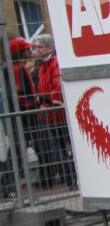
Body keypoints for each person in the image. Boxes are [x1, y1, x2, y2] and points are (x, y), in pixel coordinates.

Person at [29, 34, 75, 189]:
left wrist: (49, 106)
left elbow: (57, 88)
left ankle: (72, 178)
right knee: (59, 148)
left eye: (40, 47)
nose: (37, 50)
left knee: (64, 148)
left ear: (49, 48)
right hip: (50, 115)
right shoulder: (43, 65)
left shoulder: (54, 63)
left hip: (58, 114)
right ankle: (70, 177)